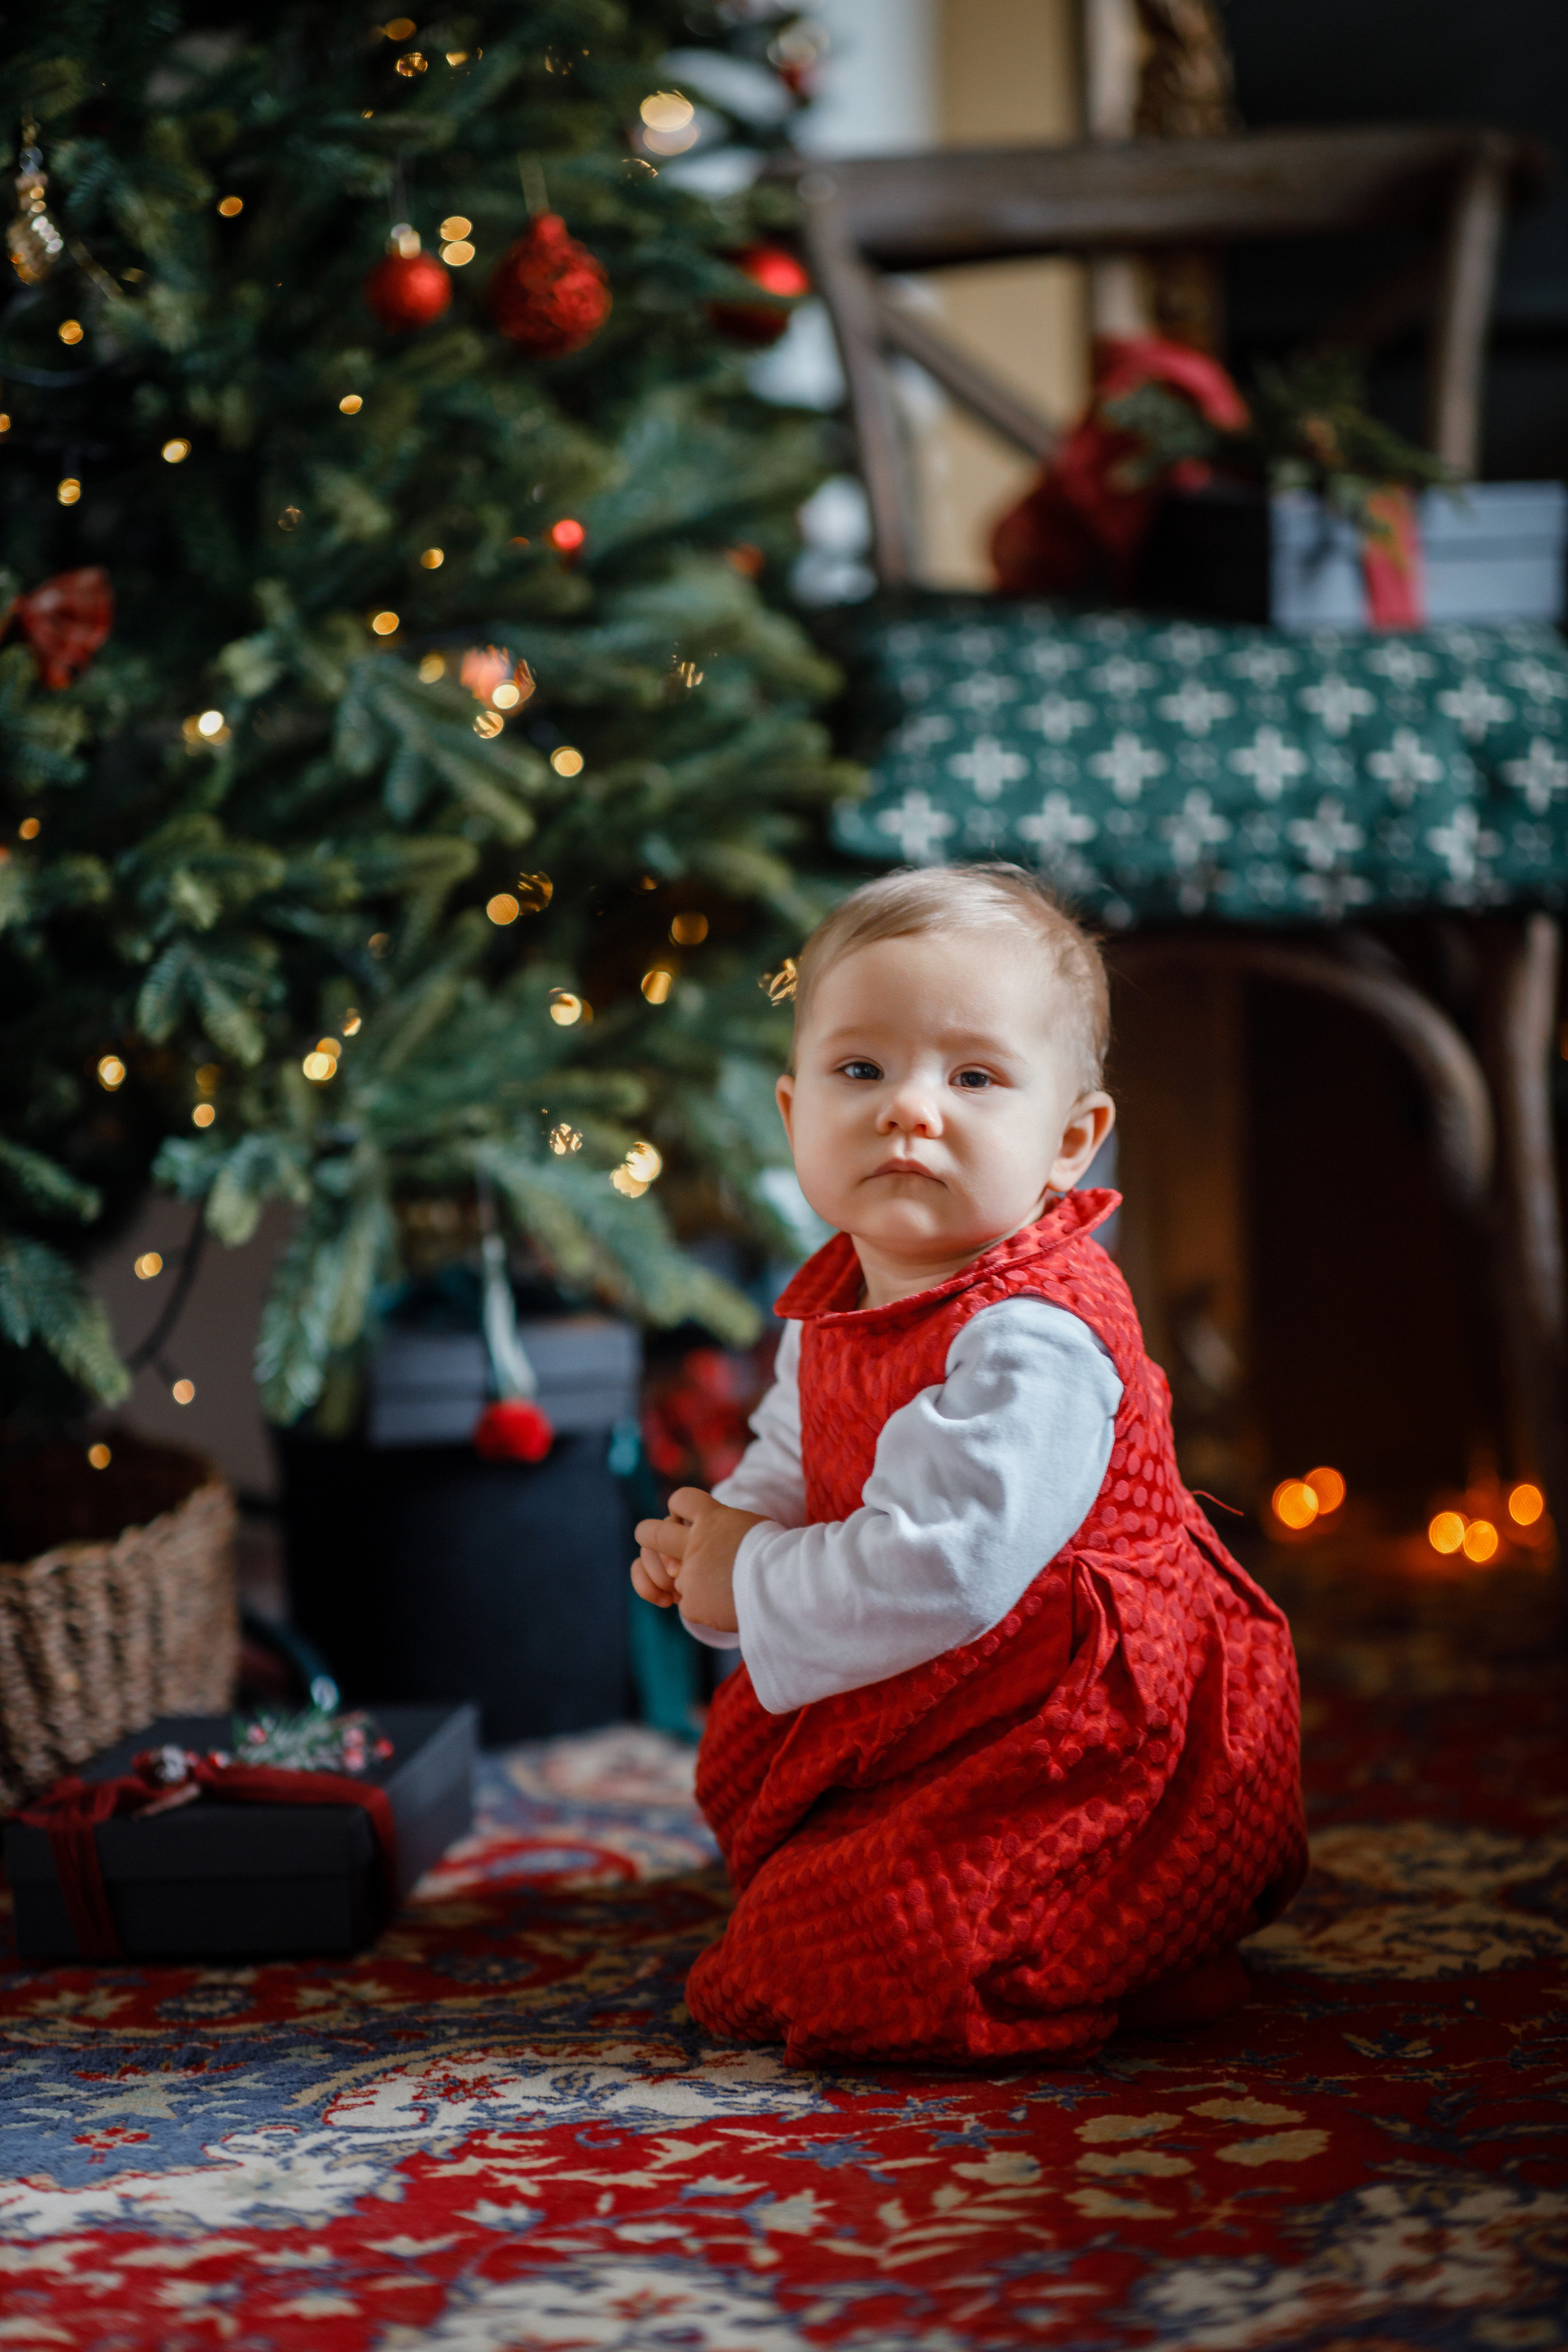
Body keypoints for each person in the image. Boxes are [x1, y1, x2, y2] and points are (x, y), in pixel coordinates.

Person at [632, 864, 1306, 2065]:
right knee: (776, 1865)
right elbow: (794, 1456)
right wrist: (719, 1536)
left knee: (835, 1969)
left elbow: (945, 1571)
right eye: (860, 1071)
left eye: (974, 1078)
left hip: (1077, 1731)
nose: (908, 1110)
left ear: (1068, 1143)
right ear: (791, 1118)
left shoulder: (1029, 1338)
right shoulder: (841, 1287)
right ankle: (1066, 1935)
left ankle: (1108, 1941)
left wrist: (749, 1580)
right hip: (943, 1689)